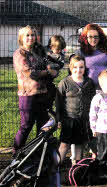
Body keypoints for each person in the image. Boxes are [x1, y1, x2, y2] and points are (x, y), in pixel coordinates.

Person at [13, 25, 57, 153]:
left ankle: (37, 154)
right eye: (27, 35)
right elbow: (30, 73)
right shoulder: (19, 54)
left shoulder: (39, 52)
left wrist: (52, 69)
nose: (30, 37)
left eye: (32, 35)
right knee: (26, 126)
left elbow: (51, 64)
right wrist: (48, 72)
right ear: (21, 38)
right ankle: (16, 153)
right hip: (27, 95)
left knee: (42, 126)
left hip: (43, 94)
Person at [56, 55, 95, 165]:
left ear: (85, 68)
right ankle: (55, 169)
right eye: (75, 67)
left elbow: (93, 101)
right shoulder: (64, 83)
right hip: (69, 120)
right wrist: (59, 118)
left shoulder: (89, 83)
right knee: (64, 145)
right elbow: (58, 103)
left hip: (83, 120)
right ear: (70, 68)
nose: (78, 70)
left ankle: (76, 170)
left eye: (81, 67)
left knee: (79, 145)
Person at [76, 23, 107, 93]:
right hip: (88, 90)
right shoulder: (81, 52)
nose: (93, 39)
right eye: (90, 37)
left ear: (100, 37)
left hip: (106, 90)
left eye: (96, 37)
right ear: (85, 37)